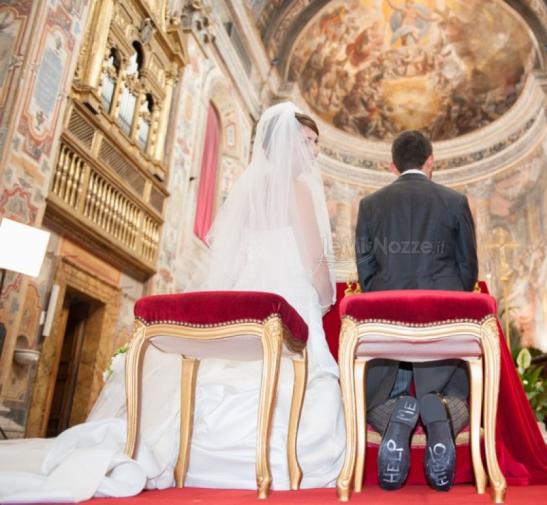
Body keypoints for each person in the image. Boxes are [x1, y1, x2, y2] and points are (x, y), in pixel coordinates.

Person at [0, 102, 345, 502]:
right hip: (288, 300)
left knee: (221, 374)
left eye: (316, 144)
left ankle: (179, 453)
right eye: (307, 142)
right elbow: (314, 260)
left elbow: (236, 260)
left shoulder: (250, 191)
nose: (313, 152)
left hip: (249, 300)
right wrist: (322, 294)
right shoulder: (297, 188)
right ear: (284, 145)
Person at [354, 129, 477, 492]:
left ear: (392, 166)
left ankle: (396, 416)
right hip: (442, 330)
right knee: (456, 397)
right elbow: (468, 270)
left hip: (388, 330)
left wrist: (389, 303)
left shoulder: (370, 205)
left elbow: (365, 271)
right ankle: (438, 416)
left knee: (374, 400)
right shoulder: (455, 201)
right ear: (431, 161)